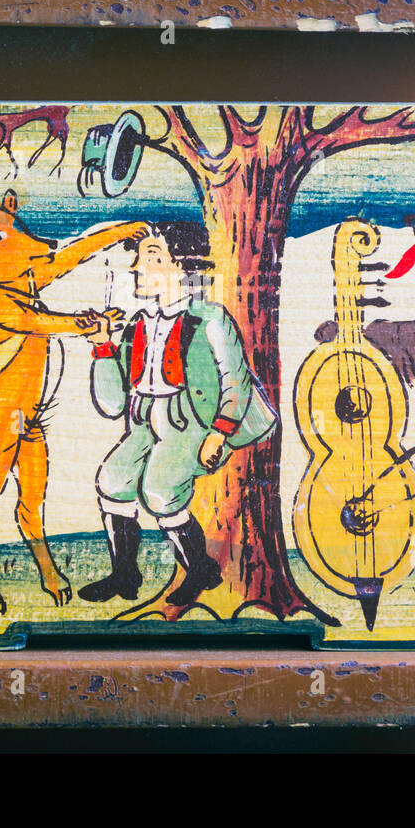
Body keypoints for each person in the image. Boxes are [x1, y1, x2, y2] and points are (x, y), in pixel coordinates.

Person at [80, 223, 277, 607]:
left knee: (160, 489)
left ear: (184, 266)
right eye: (139, 256)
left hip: (191, 420)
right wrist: (104, 347)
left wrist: (219, 433)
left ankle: (199, 569)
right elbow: (112, 403)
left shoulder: (210, 319)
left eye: (152, 256)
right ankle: (124, 574)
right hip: (142, 417)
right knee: (113, 480)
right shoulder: (137, 322)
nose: (137, 265)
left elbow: (232, 379)